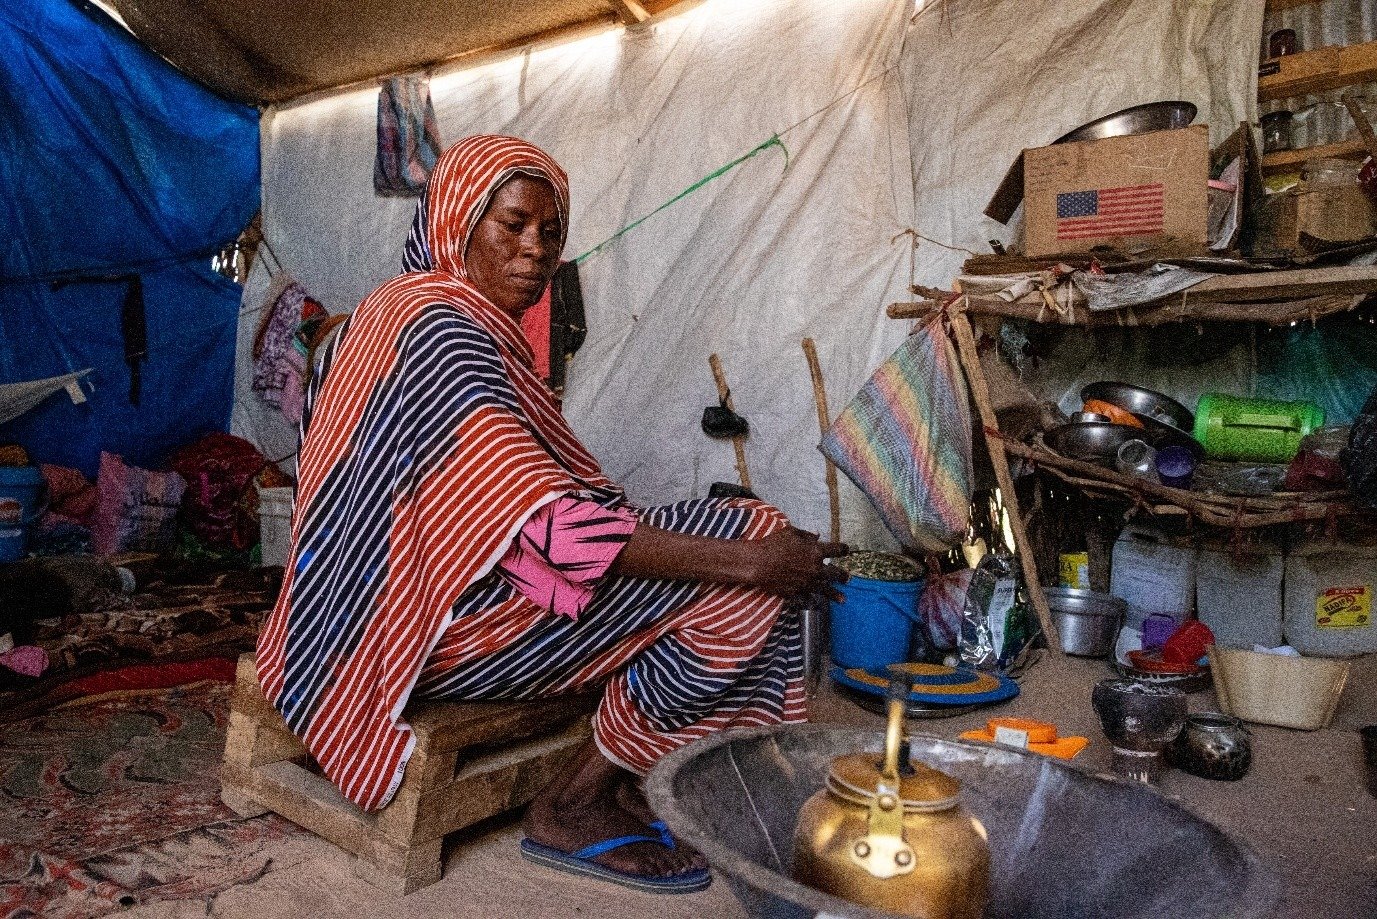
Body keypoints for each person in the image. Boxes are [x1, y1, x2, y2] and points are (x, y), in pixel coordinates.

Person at [255, 135, 846, 894]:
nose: (536, 250)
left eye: (551, 233)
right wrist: (754, 562)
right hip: (428, 634)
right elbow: (555, 531)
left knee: (734, 535)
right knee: (753, 561)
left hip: (360, 618)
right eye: (512, 225)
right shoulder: (440, 332)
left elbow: (503, 511)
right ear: (457, 221)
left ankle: (647, 770)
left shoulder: (403, 313)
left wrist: (732, 545)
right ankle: (572, 803)